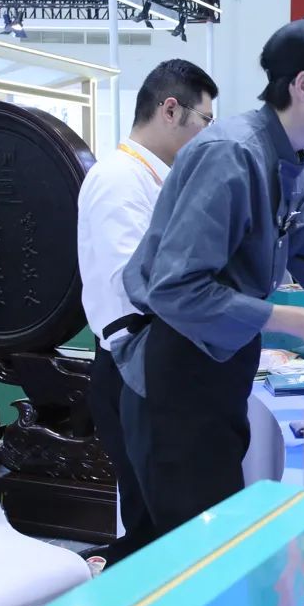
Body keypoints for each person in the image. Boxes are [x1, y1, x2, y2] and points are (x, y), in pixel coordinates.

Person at [112, 17, 304, 542]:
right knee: (194, 552)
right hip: (176, 373)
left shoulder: (298, 170)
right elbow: (175, 289)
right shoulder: (230, 154)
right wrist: (295, 320)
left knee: (219, 538)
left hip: (225, 368)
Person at [77, 59, 218, 564]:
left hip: (154, 362)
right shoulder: (120, 179)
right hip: (134, 364)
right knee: (153, 524)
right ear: (170, 109)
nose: (207, 133)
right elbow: (136, 285)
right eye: (204, 120)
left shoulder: (156, 178)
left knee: (165, 517)